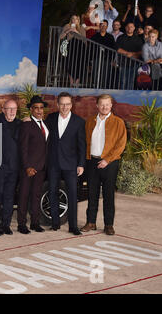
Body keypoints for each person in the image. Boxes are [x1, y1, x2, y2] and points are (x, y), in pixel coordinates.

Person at [81, 94, 127, 236]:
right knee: (92, 193)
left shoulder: (118, 122)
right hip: (92, 162)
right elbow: (85, 142)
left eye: (107, 104)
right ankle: (91, 222)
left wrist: (107, 159)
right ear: (97, 105)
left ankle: (108, 225)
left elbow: (121, 144)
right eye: (102, 104)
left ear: (111, 106)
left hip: (110, 163)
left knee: (108, 195)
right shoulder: (90, 121)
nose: (104, 107)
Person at [46, 92, 86, 236]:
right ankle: (55, 223)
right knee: (52, 192)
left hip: (71, 164)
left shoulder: (79, 122)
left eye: (67, 104)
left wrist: (81, 164)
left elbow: (82, 145)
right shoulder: (50, 118)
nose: (64, 107)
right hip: (53, 163)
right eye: (62, 104)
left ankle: (73, 226)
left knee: (72, 195)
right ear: (57, 104)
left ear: (71, 105)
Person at [17, 96, 48, 234]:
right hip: (28, 168)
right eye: (36, 108)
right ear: (31, 109)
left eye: (41, 108)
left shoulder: (46, 125)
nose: (39, 110)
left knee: (36, 196)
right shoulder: (26, 125)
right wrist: (27, 167)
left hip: (41, 168)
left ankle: (35, 223)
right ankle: (21, 224)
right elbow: (22, 148)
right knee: (23, 196)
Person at [0, 100, 21, 236]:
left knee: (9, 196)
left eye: (14, 109)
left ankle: (6, 225)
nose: (12, 112)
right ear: (3, 110)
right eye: (9, 109)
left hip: (14, 167)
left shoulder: (21, 124)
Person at [60, 15, 86, 88]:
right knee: (69, 64)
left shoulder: (81, 27)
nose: (74, 20)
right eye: (73, 19)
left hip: (80, 47)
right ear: (71, 19)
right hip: (70, 46)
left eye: (76, 19)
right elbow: (61, 37)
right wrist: (68, 31)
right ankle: (71, 82)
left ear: (78, 20)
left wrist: (76, 31)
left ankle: (77, 82)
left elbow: (84, 39)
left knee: (79, 64)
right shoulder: (67, 26)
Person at [116, 22, 143, 89]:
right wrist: (127, 53)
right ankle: (122, 96)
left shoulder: (138, 39)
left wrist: (133, 54)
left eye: (131, 27)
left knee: (131, 81)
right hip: (123, 62)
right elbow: (117, 49)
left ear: (134, 28)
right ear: (125, 28)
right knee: (122, 81)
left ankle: (128, 97)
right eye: (128, 26)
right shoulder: (120, 37)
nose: (129, 28)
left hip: (134, 64)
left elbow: (142, 51)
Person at [91, 20, 116, 89]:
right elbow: (91, 48)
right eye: (102, 25)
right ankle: (96, 90)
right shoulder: (94, 37)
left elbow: (113, 49)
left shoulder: (110, 37)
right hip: (96, 59)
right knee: (96, 76)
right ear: (99, 26)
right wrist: (91, 59)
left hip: (107, 60)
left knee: (105, 76)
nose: (103, 26)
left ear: (107, 27)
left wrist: (112, 60)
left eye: (105, 25)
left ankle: (104, 91)